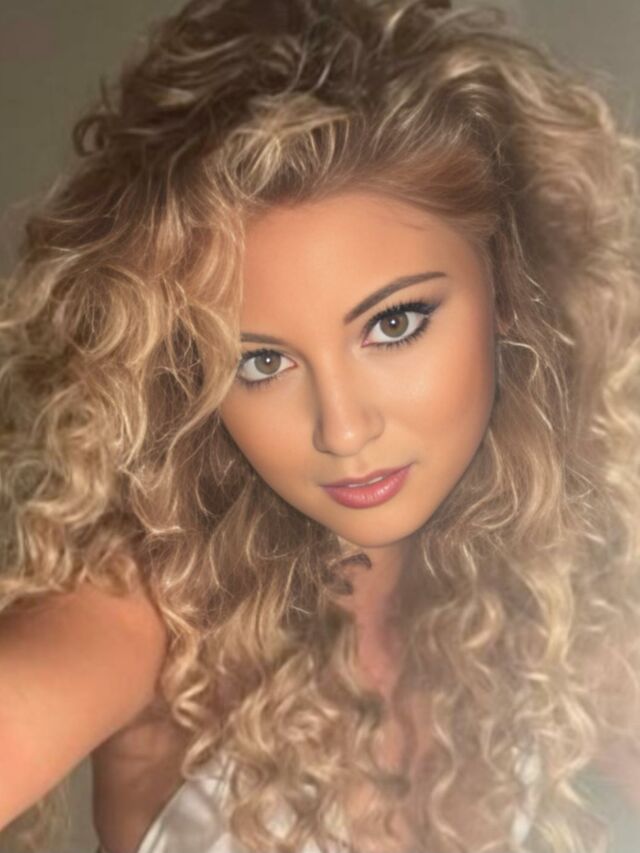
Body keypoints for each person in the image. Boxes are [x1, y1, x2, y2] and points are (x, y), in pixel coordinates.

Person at [0, 1, 639, 851]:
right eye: (260, 361)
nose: (341, 429)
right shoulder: (155, 617)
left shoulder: (565, 597)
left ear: (509, 290)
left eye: (394, 324)